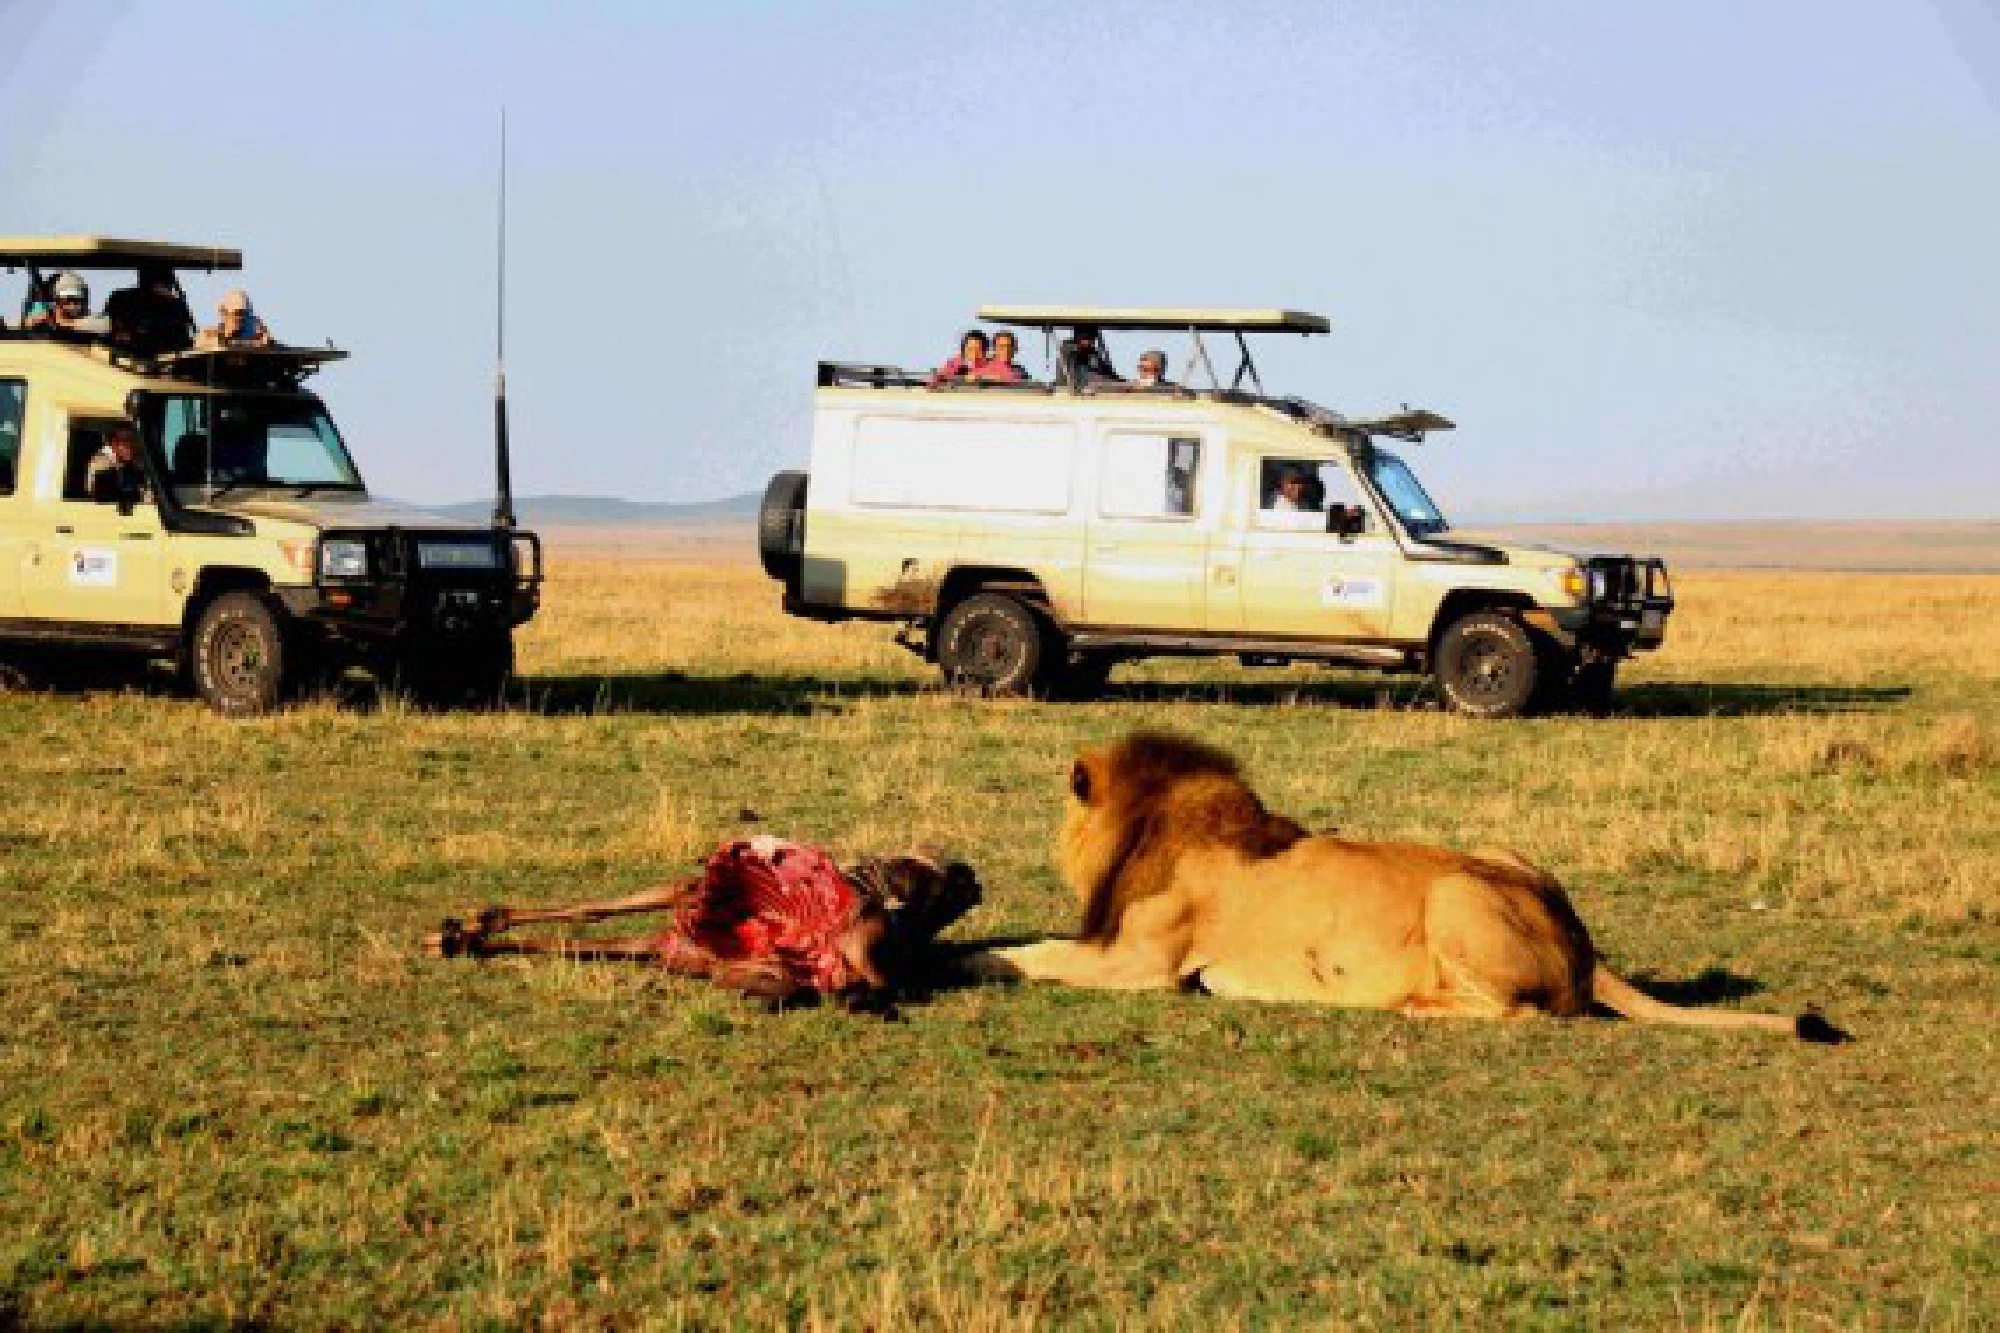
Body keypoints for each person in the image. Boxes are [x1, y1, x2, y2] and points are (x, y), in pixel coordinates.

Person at [105, 262, 196, 355]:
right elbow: (118, 333)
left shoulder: (175, 306)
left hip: (165, 357)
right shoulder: (122, 299)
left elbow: (183, 341)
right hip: (130, 357)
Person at [25, 272, 110, 339]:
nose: (72, 305)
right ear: (55, 302)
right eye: (67, 300)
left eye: (77, 300)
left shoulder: (91, 322)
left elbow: (104, 326)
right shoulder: (42, 321)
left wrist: (61, 324)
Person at [85, 423, 150, 503]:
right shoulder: (100, 462)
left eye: (132, 442)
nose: (131, 447)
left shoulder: (133, 464)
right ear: (114, 443)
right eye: (126, 442)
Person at [197, 289, 274, 349]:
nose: (238, 319)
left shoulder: (255, 332)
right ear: (224, 313)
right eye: (235, 314)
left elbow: (268, 343)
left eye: (242, 314)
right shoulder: (208, 334)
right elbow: (202, 343)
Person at [1056, 324, 1120, 387]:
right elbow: (1074, 377)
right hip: (1070, 390)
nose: (1091, 342)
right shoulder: (1068, 351)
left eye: (1092, 339)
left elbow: (1107, 371)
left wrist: (1118, 380)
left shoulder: (1091, 353)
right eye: (1087, 339)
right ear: (1078, 338)